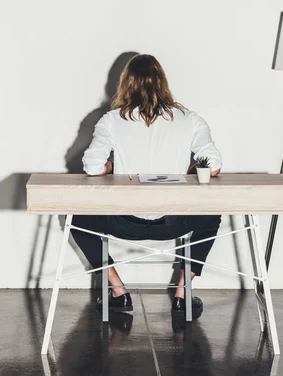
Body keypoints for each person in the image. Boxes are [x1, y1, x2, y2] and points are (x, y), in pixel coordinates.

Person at [71, 54, 222, 318]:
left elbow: (92, 168)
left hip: (123, 221)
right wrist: (187, 172)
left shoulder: (111, 120)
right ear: (163, 82)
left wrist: (110, 168)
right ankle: (183, 292)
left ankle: (118, 290)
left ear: (125, 84)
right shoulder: (189, 119)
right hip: (176, 221)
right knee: (211, 214)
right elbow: (215, 165)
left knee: (79, 220)